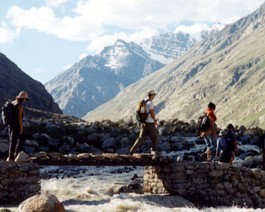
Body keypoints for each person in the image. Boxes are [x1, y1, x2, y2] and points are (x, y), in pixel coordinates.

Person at [129, 90, 158, 155]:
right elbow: (152, 113)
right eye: (154, 95)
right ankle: (154, 151)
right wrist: (155, 121)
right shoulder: (150, 103)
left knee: (141, 138)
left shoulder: (144, 101)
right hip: (150, 123)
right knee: (155, 137)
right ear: (152, 95)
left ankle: (132, 150)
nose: (154, 97)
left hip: (143, 122)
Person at [7, 91, 29, 161]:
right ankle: (16, 156)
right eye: (25, 99)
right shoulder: (20, 105)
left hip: (11, 125)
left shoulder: (13, 103)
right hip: (17, 125)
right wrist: (21, 128)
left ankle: (10, 157)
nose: (25, 101)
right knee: (21, 139)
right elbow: (20, 118)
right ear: (23, 98)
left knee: (13, 141)